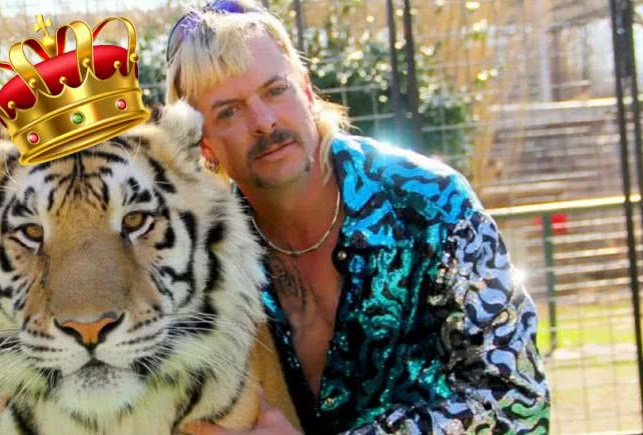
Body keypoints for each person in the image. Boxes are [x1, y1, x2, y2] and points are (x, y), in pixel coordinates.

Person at [165, 1, 550, 434]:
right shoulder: (204, 263)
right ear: (204, 146)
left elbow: (518, 400)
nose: (264, 121)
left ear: (307, 93)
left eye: (276, 90)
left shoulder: (431, 204)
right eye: (229, 112)